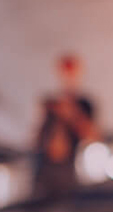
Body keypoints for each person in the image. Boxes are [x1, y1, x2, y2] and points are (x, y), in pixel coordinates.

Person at [33, 53, 99, 199]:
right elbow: (37, 138)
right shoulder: (51, 103)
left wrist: (71, 115)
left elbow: (93, 136)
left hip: (71, 170)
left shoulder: (84, 104)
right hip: (45, 171)